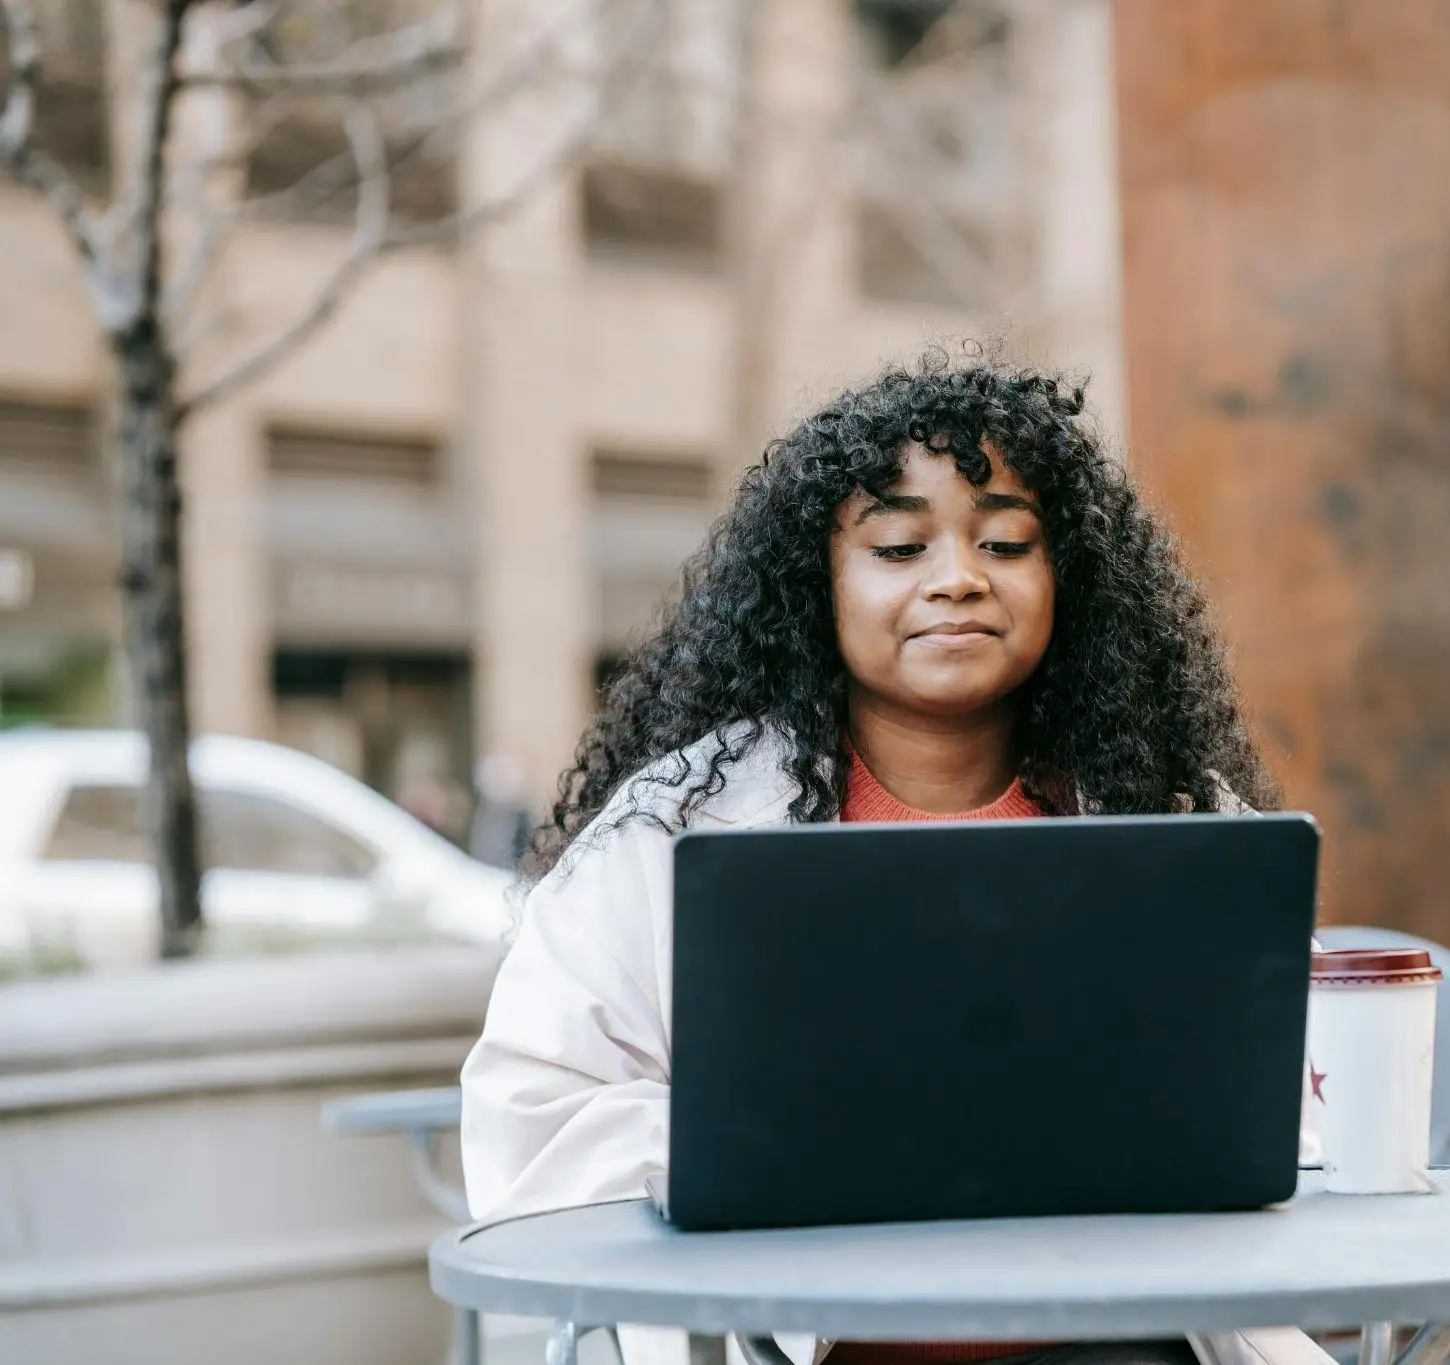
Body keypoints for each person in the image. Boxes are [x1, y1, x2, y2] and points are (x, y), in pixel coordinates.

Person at [461, 350, 1328, 1365]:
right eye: (899, 546)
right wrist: (784, 1150)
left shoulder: (1178, 817)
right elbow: (533, 1120)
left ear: (1068, 577)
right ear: (815, 585)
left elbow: (1288, 1119)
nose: (956, 580)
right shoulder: (668, 829)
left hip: (1124, 1340)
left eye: (1005, 541)